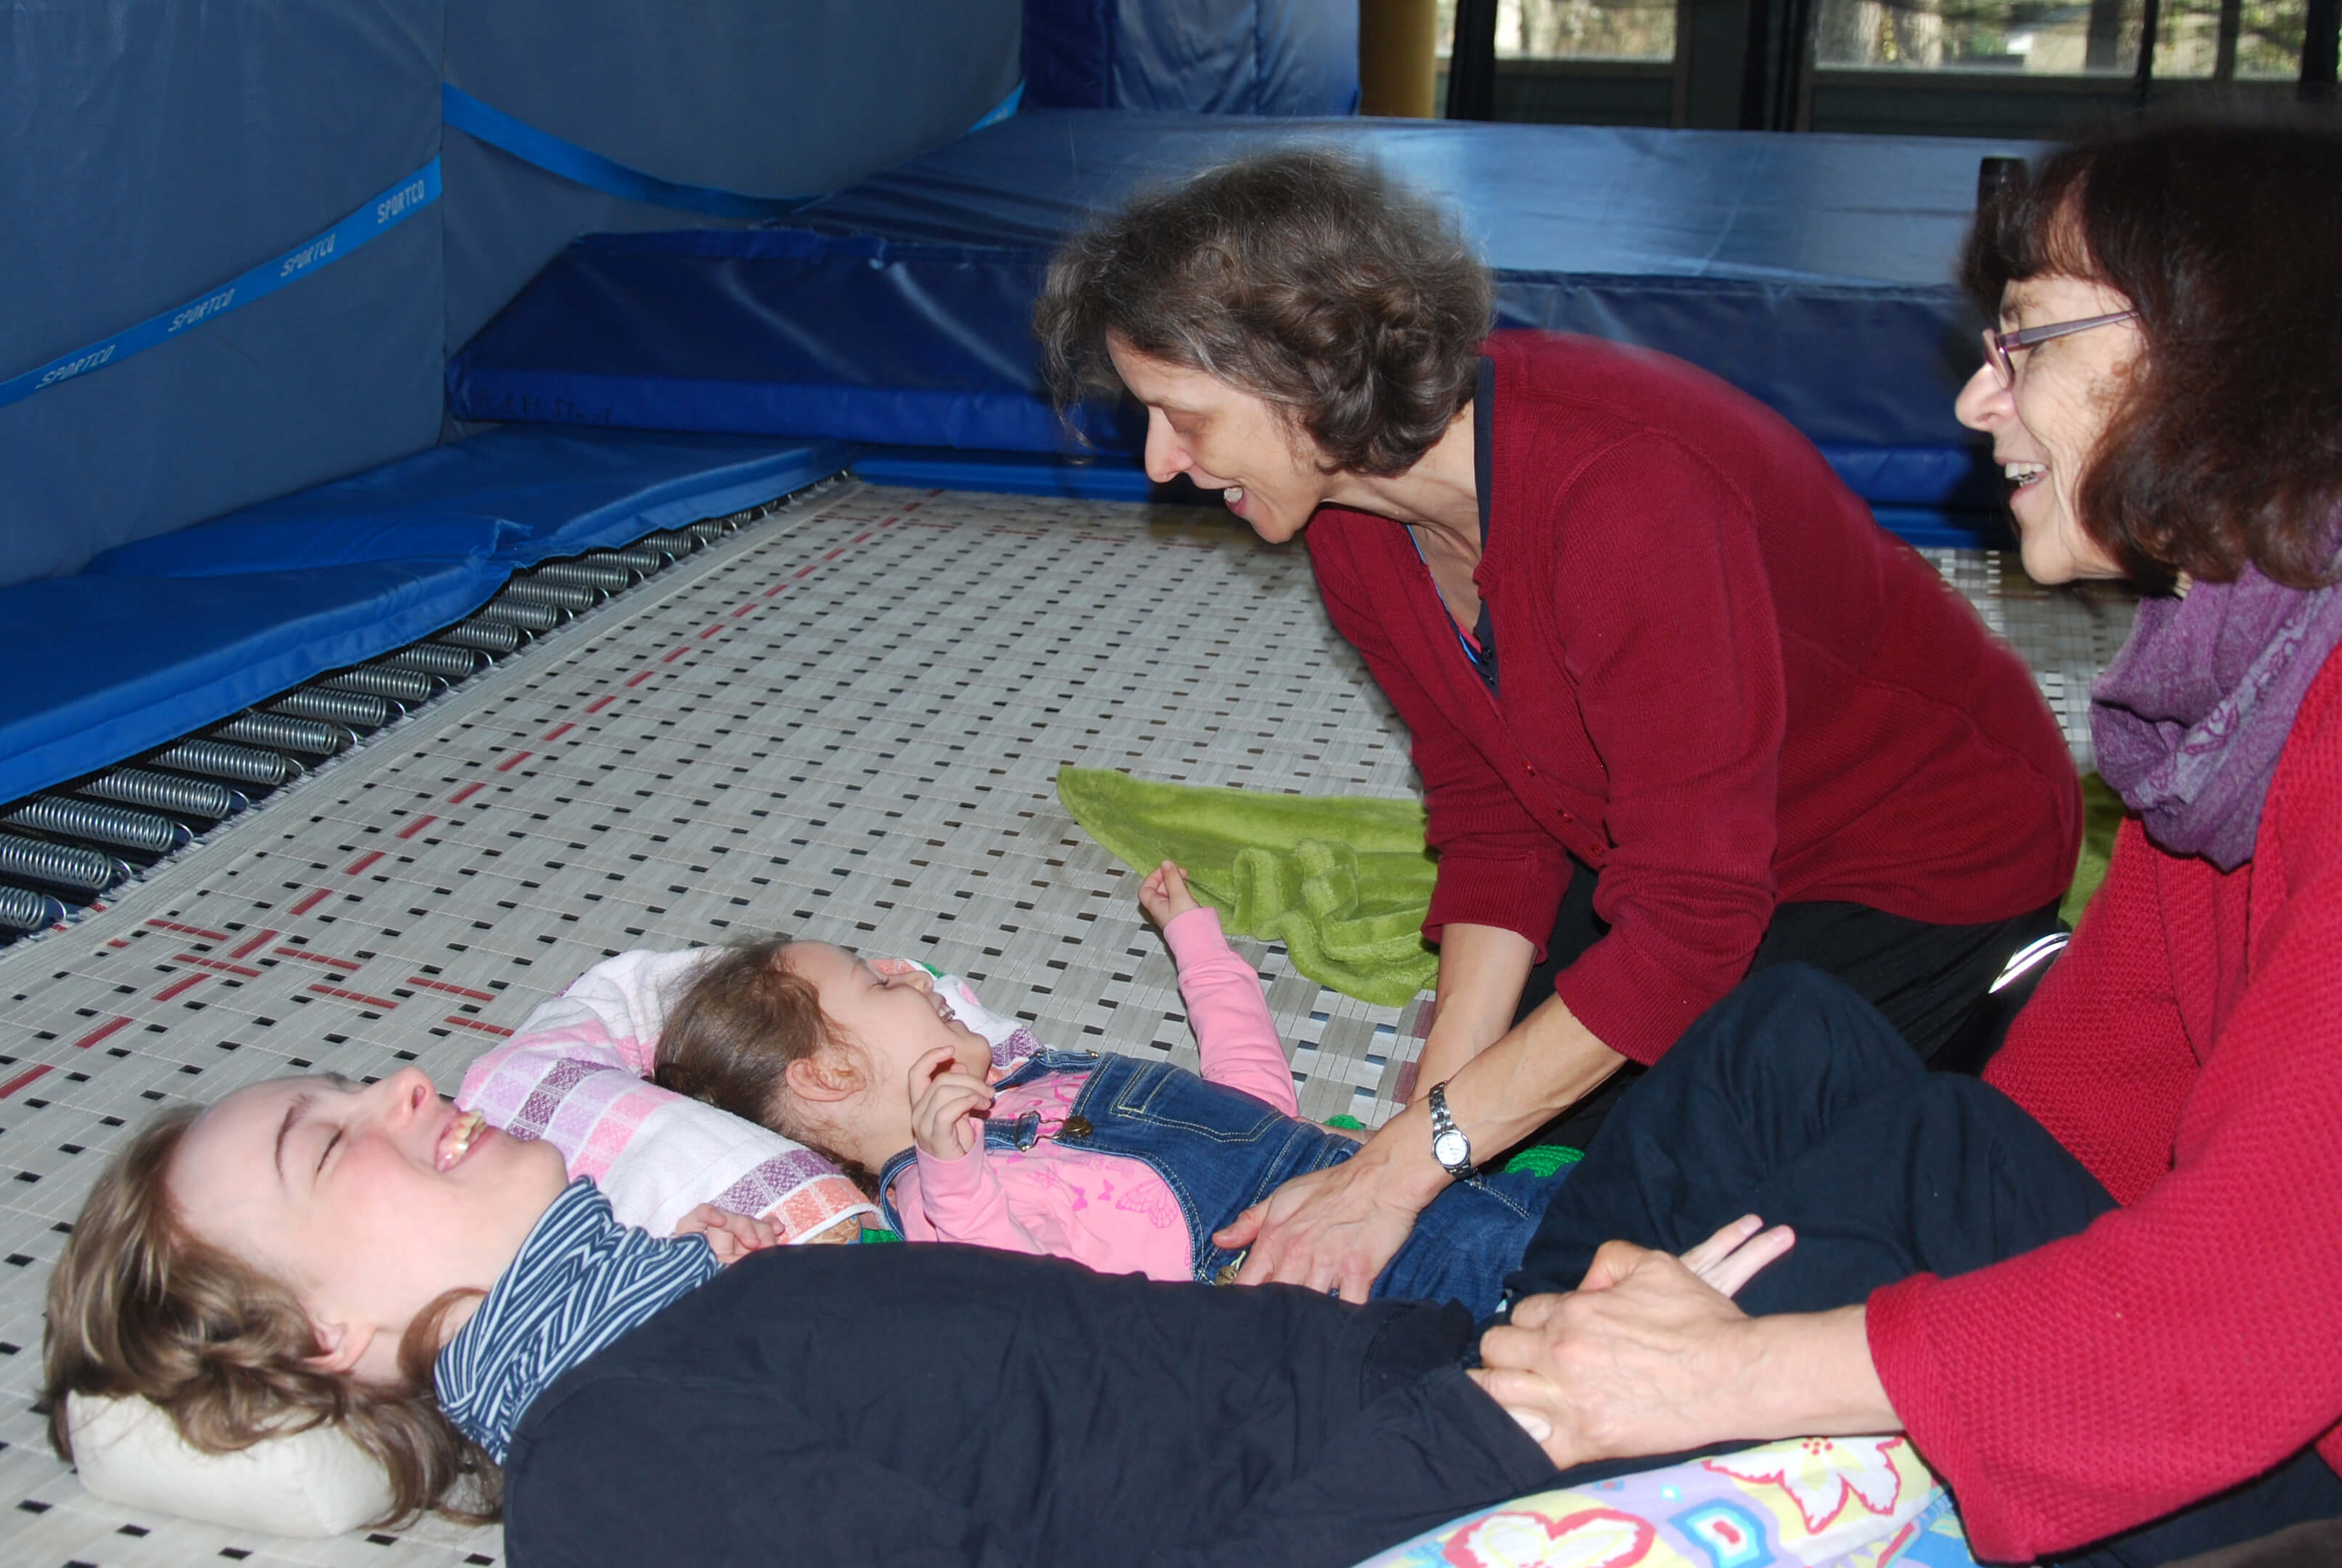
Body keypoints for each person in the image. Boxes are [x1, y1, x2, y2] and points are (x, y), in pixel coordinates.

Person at [1468, 108, 2342, 1567]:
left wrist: (1735, 1371)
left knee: (1869, 1214)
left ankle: (1473, 1459)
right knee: (1793, 1045)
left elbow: (2252, 1314)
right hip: (2273, 1369)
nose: (1981, 404)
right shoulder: (2244, 661)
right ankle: (1485, 1372)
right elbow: (2076, 1109)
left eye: (2023, 338)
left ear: (2221, 343)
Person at [1036, 147, 2082, 1302]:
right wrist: (1429, 1124)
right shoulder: (1349, 517)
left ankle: (2005, 990)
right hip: (1688, 835)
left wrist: (1400, 1170)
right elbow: (1492, 811)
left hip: (1912, 852)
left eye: (1180, 417)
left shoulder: (1624, 494)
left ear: (1307, 375)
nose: (1160, 463)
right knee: (1511, 1113)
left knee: (1650, 1186)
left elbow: (1687, 928)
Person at [39, 1064, 1786, 1564]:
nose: (402, 1083)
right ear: (326, 1334)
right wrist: (1521, 1423)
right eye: (320, 1140)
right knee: (1922, 1180)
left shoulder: (726, 1311)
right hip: (1477, 1464)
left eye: (350, 1079)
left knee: (1785, 1048)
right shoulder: (615, 1468)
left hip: (1463, 1360)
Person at [647, 862, 1564, 1313]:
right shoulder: (938, 1200)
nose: (917, 976)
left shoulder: (1041, 1084)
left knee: (1632, 1195)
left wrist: (1199, 947)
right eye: (881, 986)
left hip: (1384, 1179)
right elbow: (1021, 1303)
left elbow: (1253, 1107)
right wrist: (950, 1167)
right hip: (1372, 1279)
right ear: (832, 1077)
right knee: (1582, 1285)